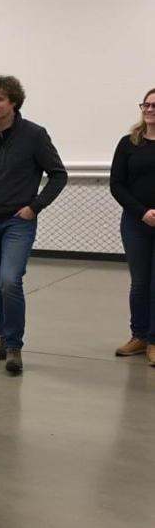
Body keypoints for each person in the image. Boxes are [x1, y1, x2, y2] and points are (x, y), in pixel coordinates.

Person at [0, 75, 67, 375]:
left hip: (17, 222)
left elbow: (58, 175)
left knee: (10, 280)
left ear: (14, 102)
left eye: (0, 99)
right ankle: (3, 339)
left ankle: (14, 347)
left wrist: (34, 207)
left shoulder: (34, 135)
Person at [109, 87, 155, 366]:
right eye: (146, 105)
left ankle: (154, 339)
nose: (149, 110)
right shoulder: (129, 143)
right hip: (135, 222)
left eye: (154, 106)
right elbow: (117, 184)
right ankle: (138, 335)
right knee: (140, 283)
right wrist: (143, 212)